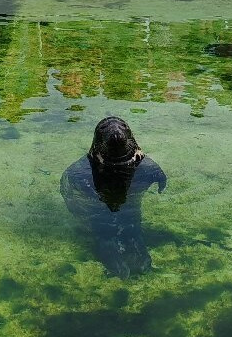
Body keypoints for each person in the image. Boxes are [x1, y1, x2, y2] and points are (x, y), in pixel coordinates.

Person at [59, 116, 167, 279]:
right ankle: (117, 254)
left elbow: (70, 179)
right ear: (98, 140)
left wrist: (159, 178)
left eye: (122, 127)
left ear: (130, 135)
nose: (116, 132)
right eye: (104, 129)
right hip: (101, 211)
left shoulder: (138, 160)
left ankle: (132, 255)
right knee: (107, 230)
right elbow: (71, 177)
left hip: (120, 205)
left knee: (130, 226)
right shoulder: (89, 163)